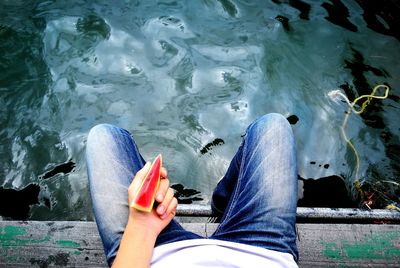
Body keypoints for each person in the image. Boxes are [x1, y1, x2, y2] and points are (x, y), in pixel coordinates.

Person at [86, 113, 299, 267]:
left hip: (153, 254)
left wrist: (141, 227)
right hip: (262, 255)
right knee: (273, 127)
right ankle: (221, 204)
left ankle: (223, 206)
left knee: (104, 137)